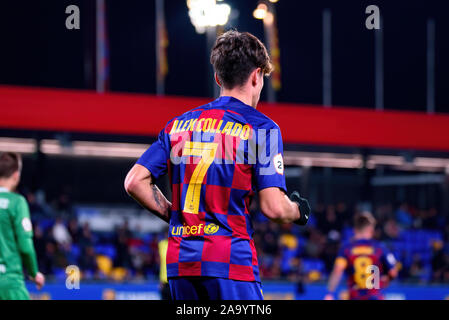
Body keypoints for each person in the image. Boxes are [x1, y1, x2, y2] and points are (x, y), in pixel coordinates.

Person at [125, 30, 310, 300]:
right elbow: (274, 208)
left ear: (217, 77)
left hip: (181, 264)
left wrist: (178, 216)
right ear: (257, 76)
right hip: (230, 262)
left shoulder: (177, 125)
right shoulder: (261, 129)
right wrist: (299, 210)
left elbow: (134, 182)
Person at [0, 152, 45, 299]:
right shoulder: (17, 203)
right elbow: (25, 246)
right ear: (16, 175)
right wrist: (34, 273)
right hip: (9, 282)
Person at [324, 212, 399, 300]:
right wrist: (386, 280)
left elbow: (337, 271)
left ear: (354, 230)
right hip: (374, 297)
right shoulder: (379, 248)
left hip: (355, 296)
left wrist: (330, 293)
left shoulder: (347, 249)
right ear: (371, 229)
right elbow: (393, 272)